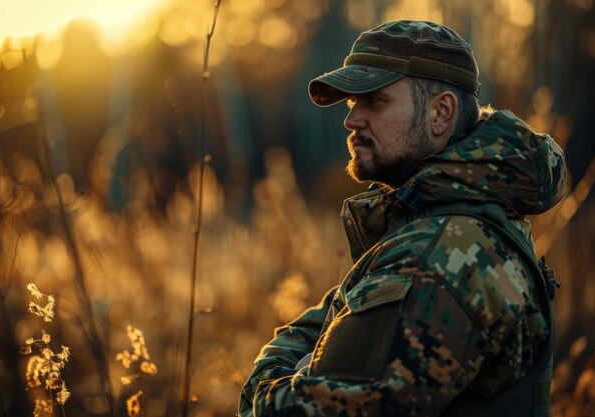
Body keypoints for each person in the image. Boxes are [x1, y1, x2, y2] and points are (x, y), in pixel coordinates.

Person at [238, 20, 566, 417]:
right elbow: (330, 319)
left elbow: (291, 410)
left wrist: (265, 380)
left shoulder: (437, 257)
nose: (352, 120)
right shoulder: (453, 220)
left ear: (440, 113)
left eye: (374, 101)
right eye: (350, 103)